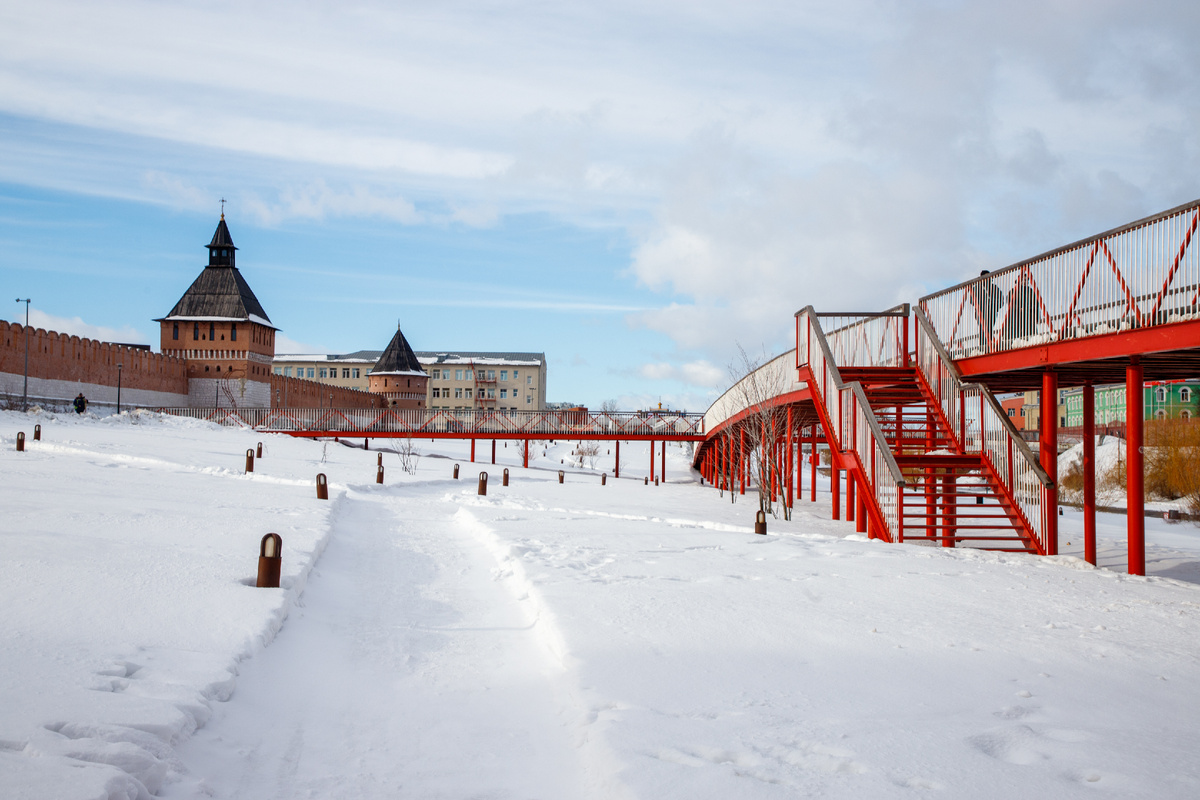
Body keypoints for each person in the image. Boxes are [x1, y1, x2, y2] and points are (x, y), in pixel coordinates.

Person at [1000, 272, 1039, 344]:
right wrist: (1019, 308)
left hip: (1028, 317)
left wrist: (1035, 316)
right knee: (1014, 335)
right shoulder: (1012, 291)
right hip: (1016, 318)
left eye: (1026, 280)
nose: (1024, 282)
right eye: (1023, 280)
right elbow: (1010, 303)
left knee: (1029, 335)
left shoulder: (1031, 292)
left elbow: (1036, 304)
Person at [971, 270, 1002, 351]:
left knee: (989, 328)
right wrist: (980, 304)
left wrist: (995, 306)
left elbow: (1001, 300)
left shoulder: (994, 288)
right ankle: (984, 346)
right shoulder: (977, 288)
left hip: (992, 311)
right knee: (983, 328)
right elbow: (972, 300)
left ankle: (988, 344)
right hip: (980, 312)